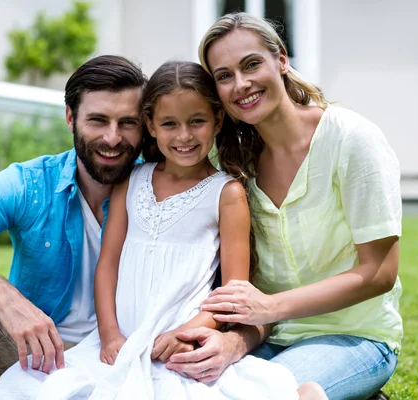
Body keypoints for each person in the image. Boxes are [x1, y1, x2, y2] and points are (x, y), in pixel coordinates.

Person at [0, 60, 325, 400]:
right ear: (150, 124)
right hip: (121, 337)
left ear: (217, 120)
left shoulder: (226, 194)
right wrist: (108, 334)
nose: (184, 135)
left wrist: (187, 331)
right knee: (24, 388)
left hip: (180, 340)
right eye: (169, 123)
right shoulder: (131, 182)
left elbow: (232, 293)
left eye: (197, 121)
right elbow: (108, 266)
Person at [167, 12, 402, 400]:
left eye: (251, 64)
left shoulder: (351, 139)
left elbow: (379, 272)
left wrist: (268, 307)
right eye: (224, 76)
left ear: (281, 59)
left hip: (354, 339)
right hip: (269, 336)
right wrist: (234, 343)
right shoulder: (236, 161)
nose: (241, 84)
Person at [0, 55, 147, 399]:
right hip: (36, 357)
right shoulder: (31, 183)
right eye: (98, 120)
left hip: (126, 361)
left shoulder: (161, 188)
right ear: (70, 117)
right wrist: (6, 298)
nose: (113, 138)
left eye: (127, 123)